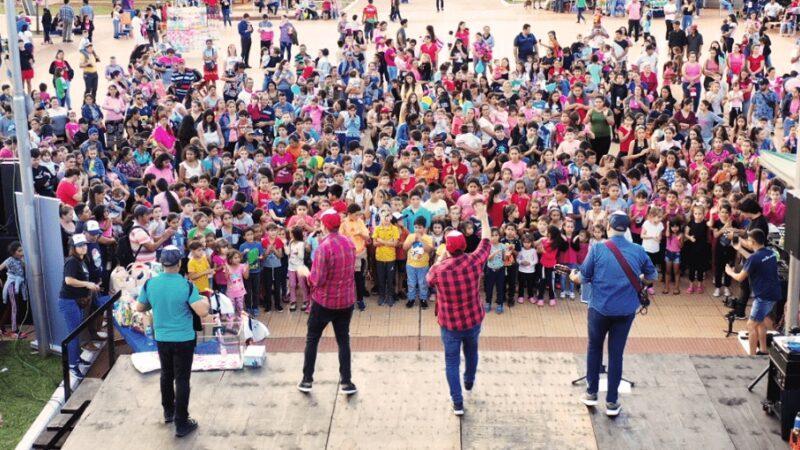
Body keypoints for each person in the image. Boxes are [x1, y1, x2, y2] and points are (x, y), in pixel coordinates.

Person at [570, 211, 657, 417]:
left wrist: (574, 276)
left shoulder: (598, 248)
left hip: (599, 308)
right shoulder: (637, 249)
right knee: (616, 354)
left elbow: (583, 278)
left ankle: (591, 393)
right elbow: (652, 275)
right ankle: (612, 402)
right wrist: (640, 281)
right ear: (626, 229)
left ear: (609, 227)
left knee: (594, 349)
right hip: (626, 310)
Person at [135, 246, 210, 438]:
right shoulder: (186, 285)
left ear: (161, 264)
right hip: (183, 338)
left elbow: (140, 306)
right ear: (179, 264)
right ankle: (181, 422)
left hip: (162, 338)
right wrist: (205, 301)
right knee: (182, 379)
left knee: (166, 375)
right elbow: (202, 311)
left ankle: (168, 412)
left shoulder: (150, 284)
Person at [426, 201, 491, 416]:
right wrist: (483, 217)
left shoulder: (440, 269)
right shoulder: (473, 261)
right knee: (472, 352)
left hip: (450, 325)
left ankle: (457, 403)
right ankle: (469, 380)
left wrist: (440, 258)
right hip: (473, 319)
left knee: (451, 362)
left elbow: (429, 279)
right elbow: (486, 241)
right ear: (464, 244)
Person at [296, 212, 358, 396]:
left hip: (324, 302)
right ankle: (346, 382)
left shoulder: (324, 248)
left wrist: (305, 272)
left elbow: (318, 279)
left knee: (312, 339)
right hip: (346, 300)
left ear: (323, 225)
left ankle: (307, 380)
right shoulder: (349, 243)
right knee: (343, 340)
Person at [725, 229, 782, 356]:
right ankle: (763, 350)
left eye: (748, 240)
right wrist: (739, 249)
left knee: (751, 325)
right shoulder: (771, 253)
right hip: (773, 293)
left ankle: (751, 357)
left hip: (763, 296)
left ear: (753, 242)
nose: (747, 243)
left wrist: (729, 272)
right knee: (760, 322)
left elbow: (740, 277)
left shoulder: (755, 259)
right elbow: (754, 258)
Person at [59, 234, 101, 380]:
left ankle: (76, 359)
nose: (83, 247)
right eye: (79, 245)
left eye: (84, 244)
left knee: (77, 332)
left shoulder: (82, 260)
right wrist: (87, 284)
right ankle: (72, 366)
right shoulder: (72, 261)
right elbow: (68, 280)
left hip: (77, 301)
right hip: (69, 302)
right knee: (74, 335)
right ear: (73, 248)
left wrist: (91, 285)